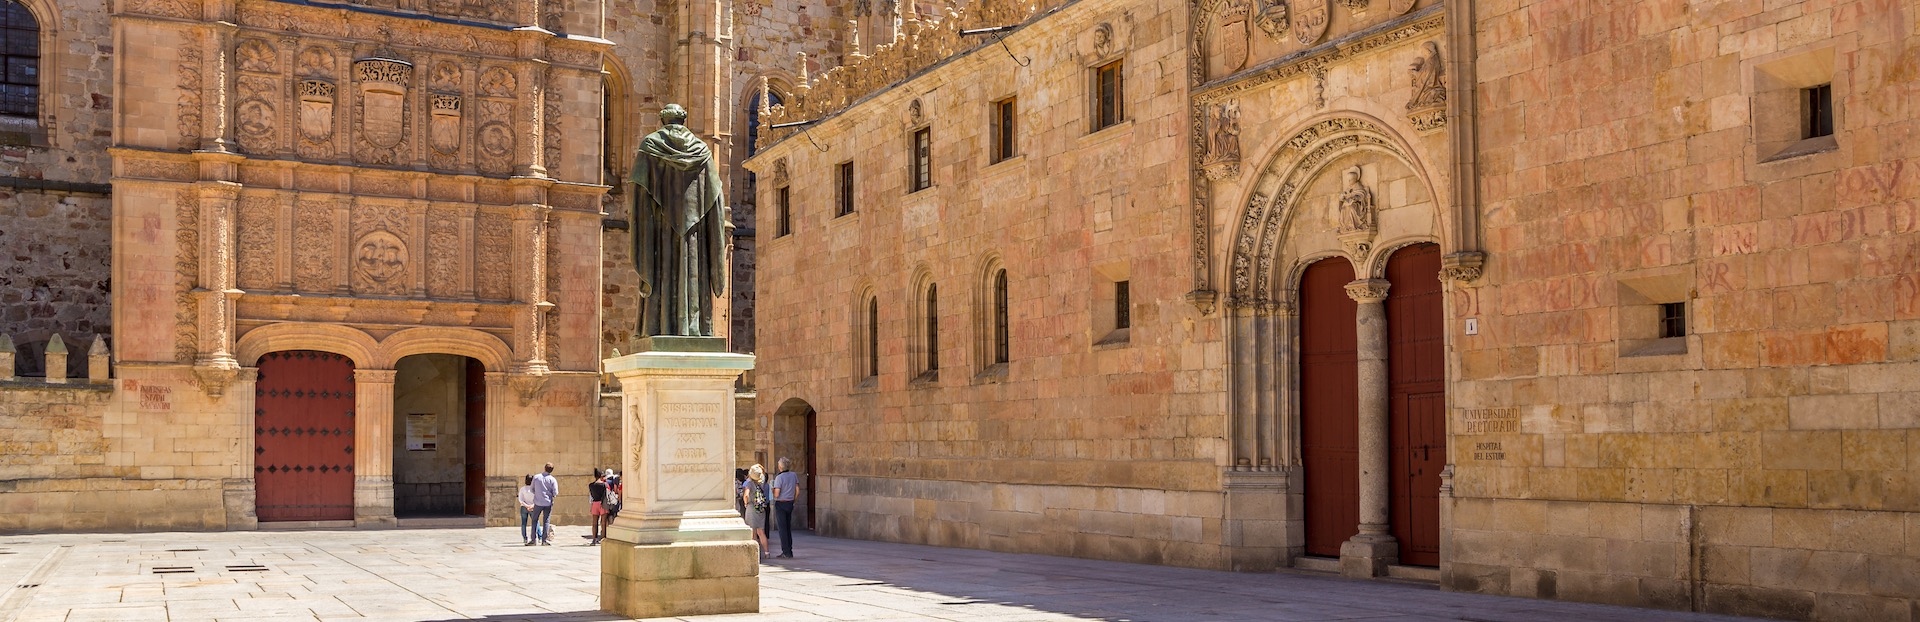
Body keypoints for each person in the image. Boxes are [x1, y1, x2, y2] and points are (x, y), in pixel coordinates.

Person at [770, 457, 800, 558]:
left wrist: (772, 490)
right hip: (790, 503)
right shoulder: (793, 475)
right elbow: (797, 490)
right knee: (788, 527)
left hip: (781, 503)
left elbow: (777, 494)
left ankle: (785, 551)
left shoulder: (779, 477)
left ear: (780, 467)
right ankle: (789, 550)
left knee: (782, 529)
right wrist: (794, 500)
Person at [741, 464, 770, 557]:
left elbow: (746, 495)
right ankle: (766, 552)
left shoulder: (749, 483)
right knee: (761, 532)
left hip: (752, 507)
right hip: (760, 508)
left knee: (753, 533)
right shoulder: (761, 482)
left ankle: (754, 554)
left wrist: (745, 503)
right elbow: (763, 472)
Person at [532, 463, 559, 545]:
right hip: (548, 502)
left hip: (538, 502)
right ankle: (544, 540)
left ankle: (533, 540)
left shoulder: (536, 477)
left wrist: (537, 495)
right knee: (546, 521)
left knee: (534, 520)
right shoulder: (552, 479)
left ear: (544, 468)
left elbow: (532, 489)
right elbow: (555, 492)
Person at [588, 468, 609, 545]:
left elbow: (592, 495)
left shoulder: (591, 485)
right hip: (602, 503)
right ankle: (603, 539)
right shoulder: (604, 485)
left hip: (595, 503)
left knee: (594, 522)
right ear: (601, 475)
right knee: (603, 523)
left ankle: (594, 539)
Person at [517, 474, 538, 546]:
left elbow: (520, 499)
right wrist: (531, 506)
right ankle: (539, 536)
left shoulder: (522, 489)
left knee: (523, 523)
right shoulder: (535, 489)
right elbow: (537, 499)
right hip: (533, 507)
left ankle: (525, 538)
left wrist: (526, 506)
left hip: (524, 507)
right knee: (535, 522)